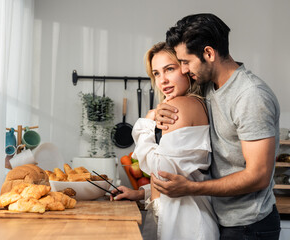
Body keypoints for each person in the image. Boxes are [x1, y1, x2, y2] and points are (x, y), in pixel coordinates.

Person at [153, 13, 281, 239]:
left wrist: (191, 188)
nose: (183, 70)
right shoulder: (209, 86)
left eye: (185, 62)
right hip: (223, 219)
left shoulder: (250, 96)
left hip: (251, 227)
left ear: (209, 53)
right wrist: (157, 111)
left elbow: (258, 175)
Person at [113, 42, 219, 240]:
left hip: (186, 224)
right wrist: (141, 193)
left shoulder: (180, 105)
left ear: (186, 69)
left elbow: (162, 169)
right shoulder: (193, 103)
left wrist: (146, 122)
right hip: (183, 218)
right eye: (156, 73)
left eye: (169, 69)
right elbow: (183, 173)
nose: (163, 80)